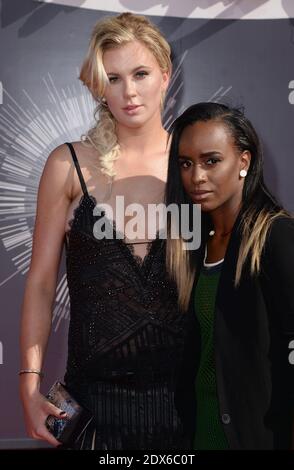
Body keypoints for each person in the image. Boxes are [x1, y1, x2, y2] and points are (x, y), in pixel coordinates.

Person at [19, 12, 188, 450]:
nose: (129, 91)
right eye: (113, 78)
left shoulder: (195, 165)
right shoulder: (67, 166)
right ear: (98, 86)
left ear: (165, 76)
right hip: (93, 408)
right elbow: (39, 283)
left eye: (141, 73)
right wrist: (29, 385)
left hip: (188, 405)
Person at [165, 102, 294, 449]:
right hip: (198, 436)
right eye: (186, 164)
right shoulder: (191, 246)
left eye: (211, 161)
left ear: (244, 161)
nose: (197, 177)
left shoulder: (276, 236)